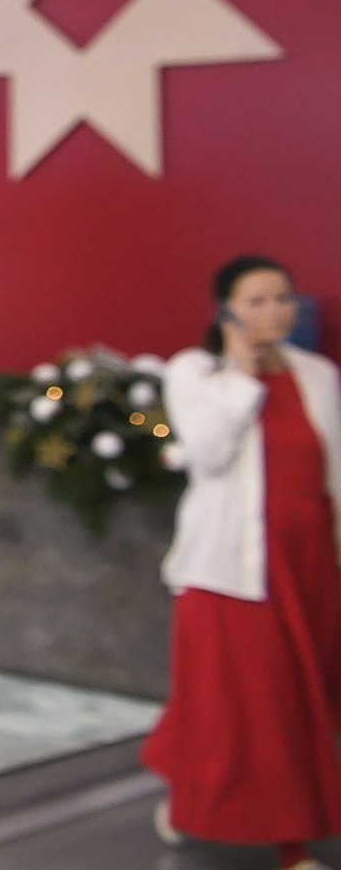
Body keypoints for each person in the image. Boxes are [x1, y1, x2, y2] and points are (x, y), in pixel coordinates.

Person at [146, 255, 341, 866]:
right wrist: (243, 374)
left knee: (306, 696)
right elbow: (207, 456)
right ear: (226, 310)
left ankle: (191, 788)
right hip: (235, 568)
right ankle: (290, 844)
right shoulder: (196, 372)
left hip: (311, 560)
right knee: (255, 702)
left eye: (283, 298)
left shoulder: (318, 373)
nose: (274, 310)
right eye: (256, 300)